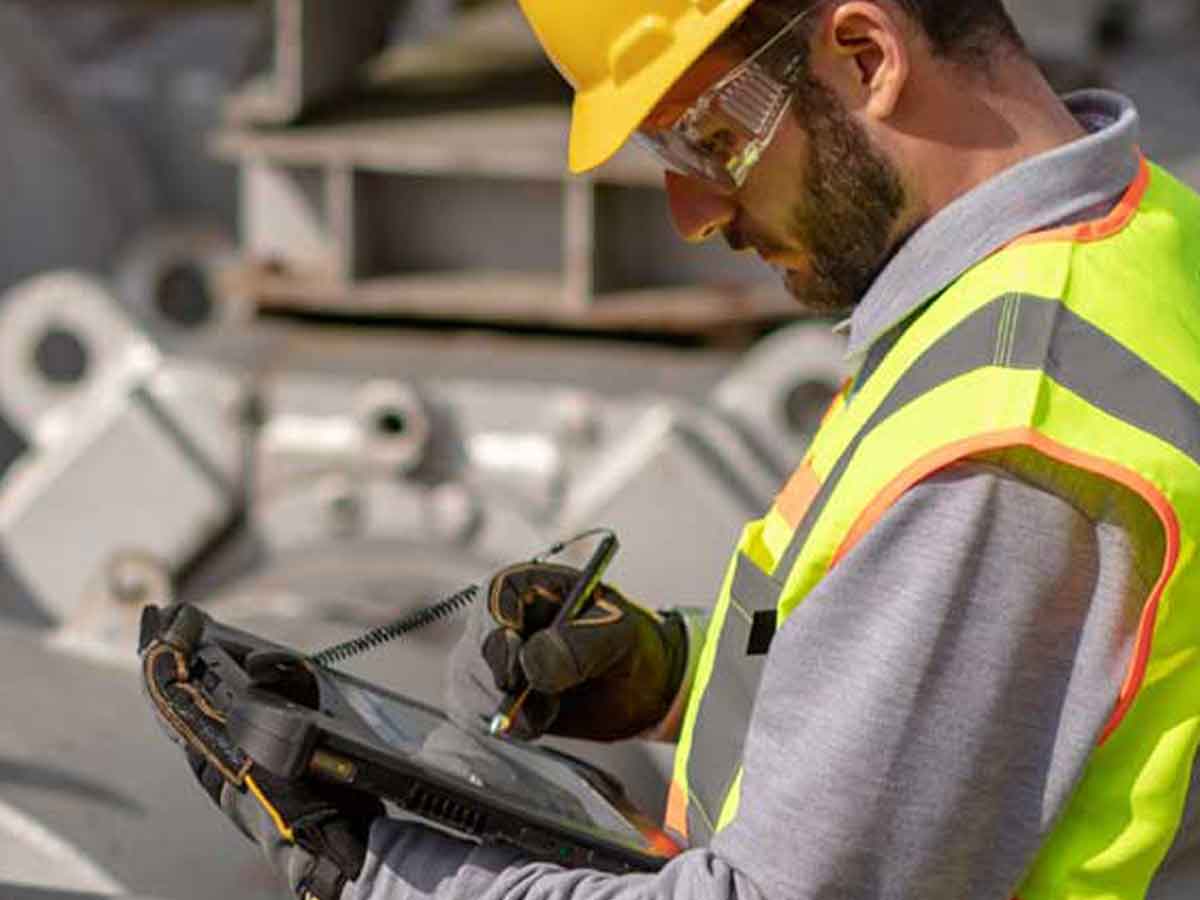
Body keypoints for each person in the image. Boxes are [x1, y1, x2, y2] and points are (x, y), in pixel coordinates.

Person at [162, 1, 1200, 898]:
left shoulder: (1004, 446)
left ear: (866, 55)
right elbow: (996, 717)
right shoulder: (1141, 240)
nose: (695, 213)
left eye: (707, 140)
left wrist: (380, 871)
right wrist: (669, 676)